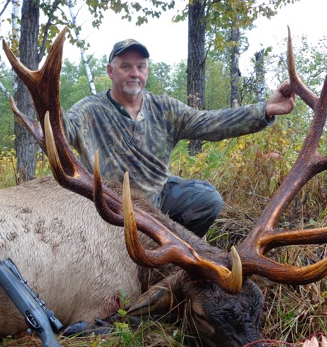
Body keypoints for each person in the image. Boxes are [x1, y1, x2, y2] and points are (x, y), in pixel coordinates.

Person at [63, 38, 296, 238]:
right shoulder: (89, 110)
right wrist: (49, 121)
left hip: (157, 196)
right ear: (110, 71)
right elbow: (64, 129)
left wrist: (264, 109)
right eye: (125, 66)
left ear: (147, 71)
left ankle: (172, 252)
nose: (134, 73)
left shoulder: (164, 108)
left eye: (140, 67)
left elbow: (211, 122)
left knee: (207, 199)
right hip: (108, 206)